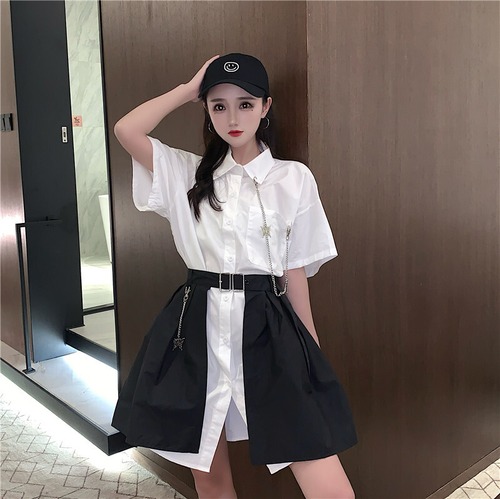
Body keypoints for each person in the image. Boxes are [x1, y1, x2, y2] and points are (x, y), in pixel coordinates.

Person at [112, 53, 358, 499]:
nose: (232, 117)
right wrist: (190, 89)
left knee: (323, 474)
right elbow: (127, 130)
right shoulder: (187, 174)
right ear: (206, 111)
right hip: (195, 327)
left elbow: (294, 271)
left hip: (267, 325)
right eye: (218, 105)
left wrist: (311, 352)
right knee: (207, 470)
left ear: (265, 107)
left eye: (245, 104)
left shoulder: (293, 178)